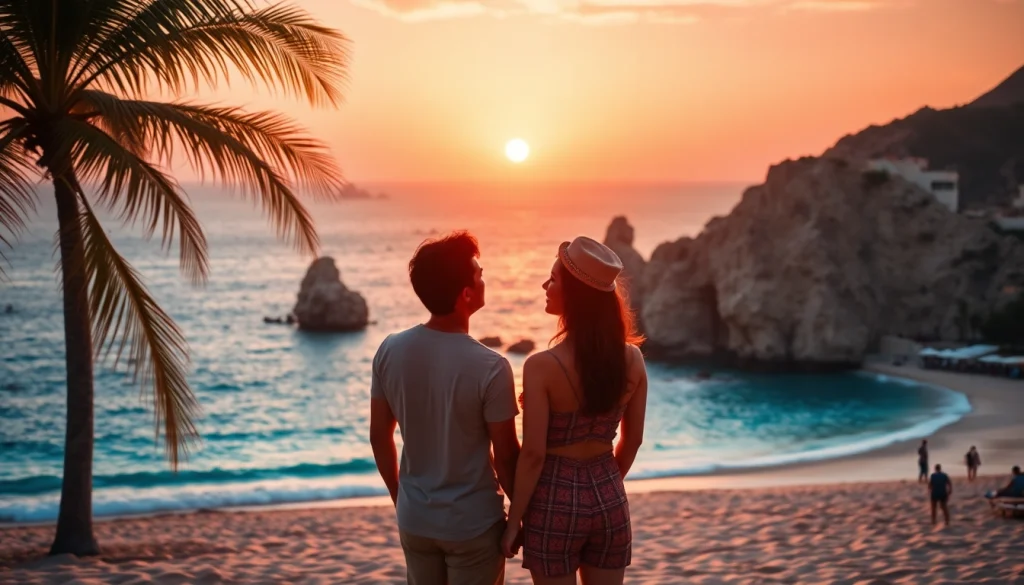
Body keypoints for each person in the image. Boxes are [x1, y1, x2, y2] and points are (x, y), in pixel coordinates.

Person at [369, 231, 521, 585]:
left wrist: (400, 496)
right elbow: (507, 455)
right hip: (472, 525)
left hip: (415, 520)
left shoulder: (389, 350)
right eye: (479, 274)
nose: (484, 279)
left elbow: (380, 436)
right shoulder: (491, 367)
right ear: (466, 294)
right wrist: (519, 517)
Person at [499, 236, 648, 585]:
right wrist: (605, 486)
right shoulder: (633, 359)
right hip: (610, 495)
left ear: (575, 295)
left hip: (554, 500)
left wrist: (514, 522)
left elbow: (534, 455)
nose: (545, 285)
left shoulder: (541, 367)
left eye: (554, 278)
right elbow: (634, 439)